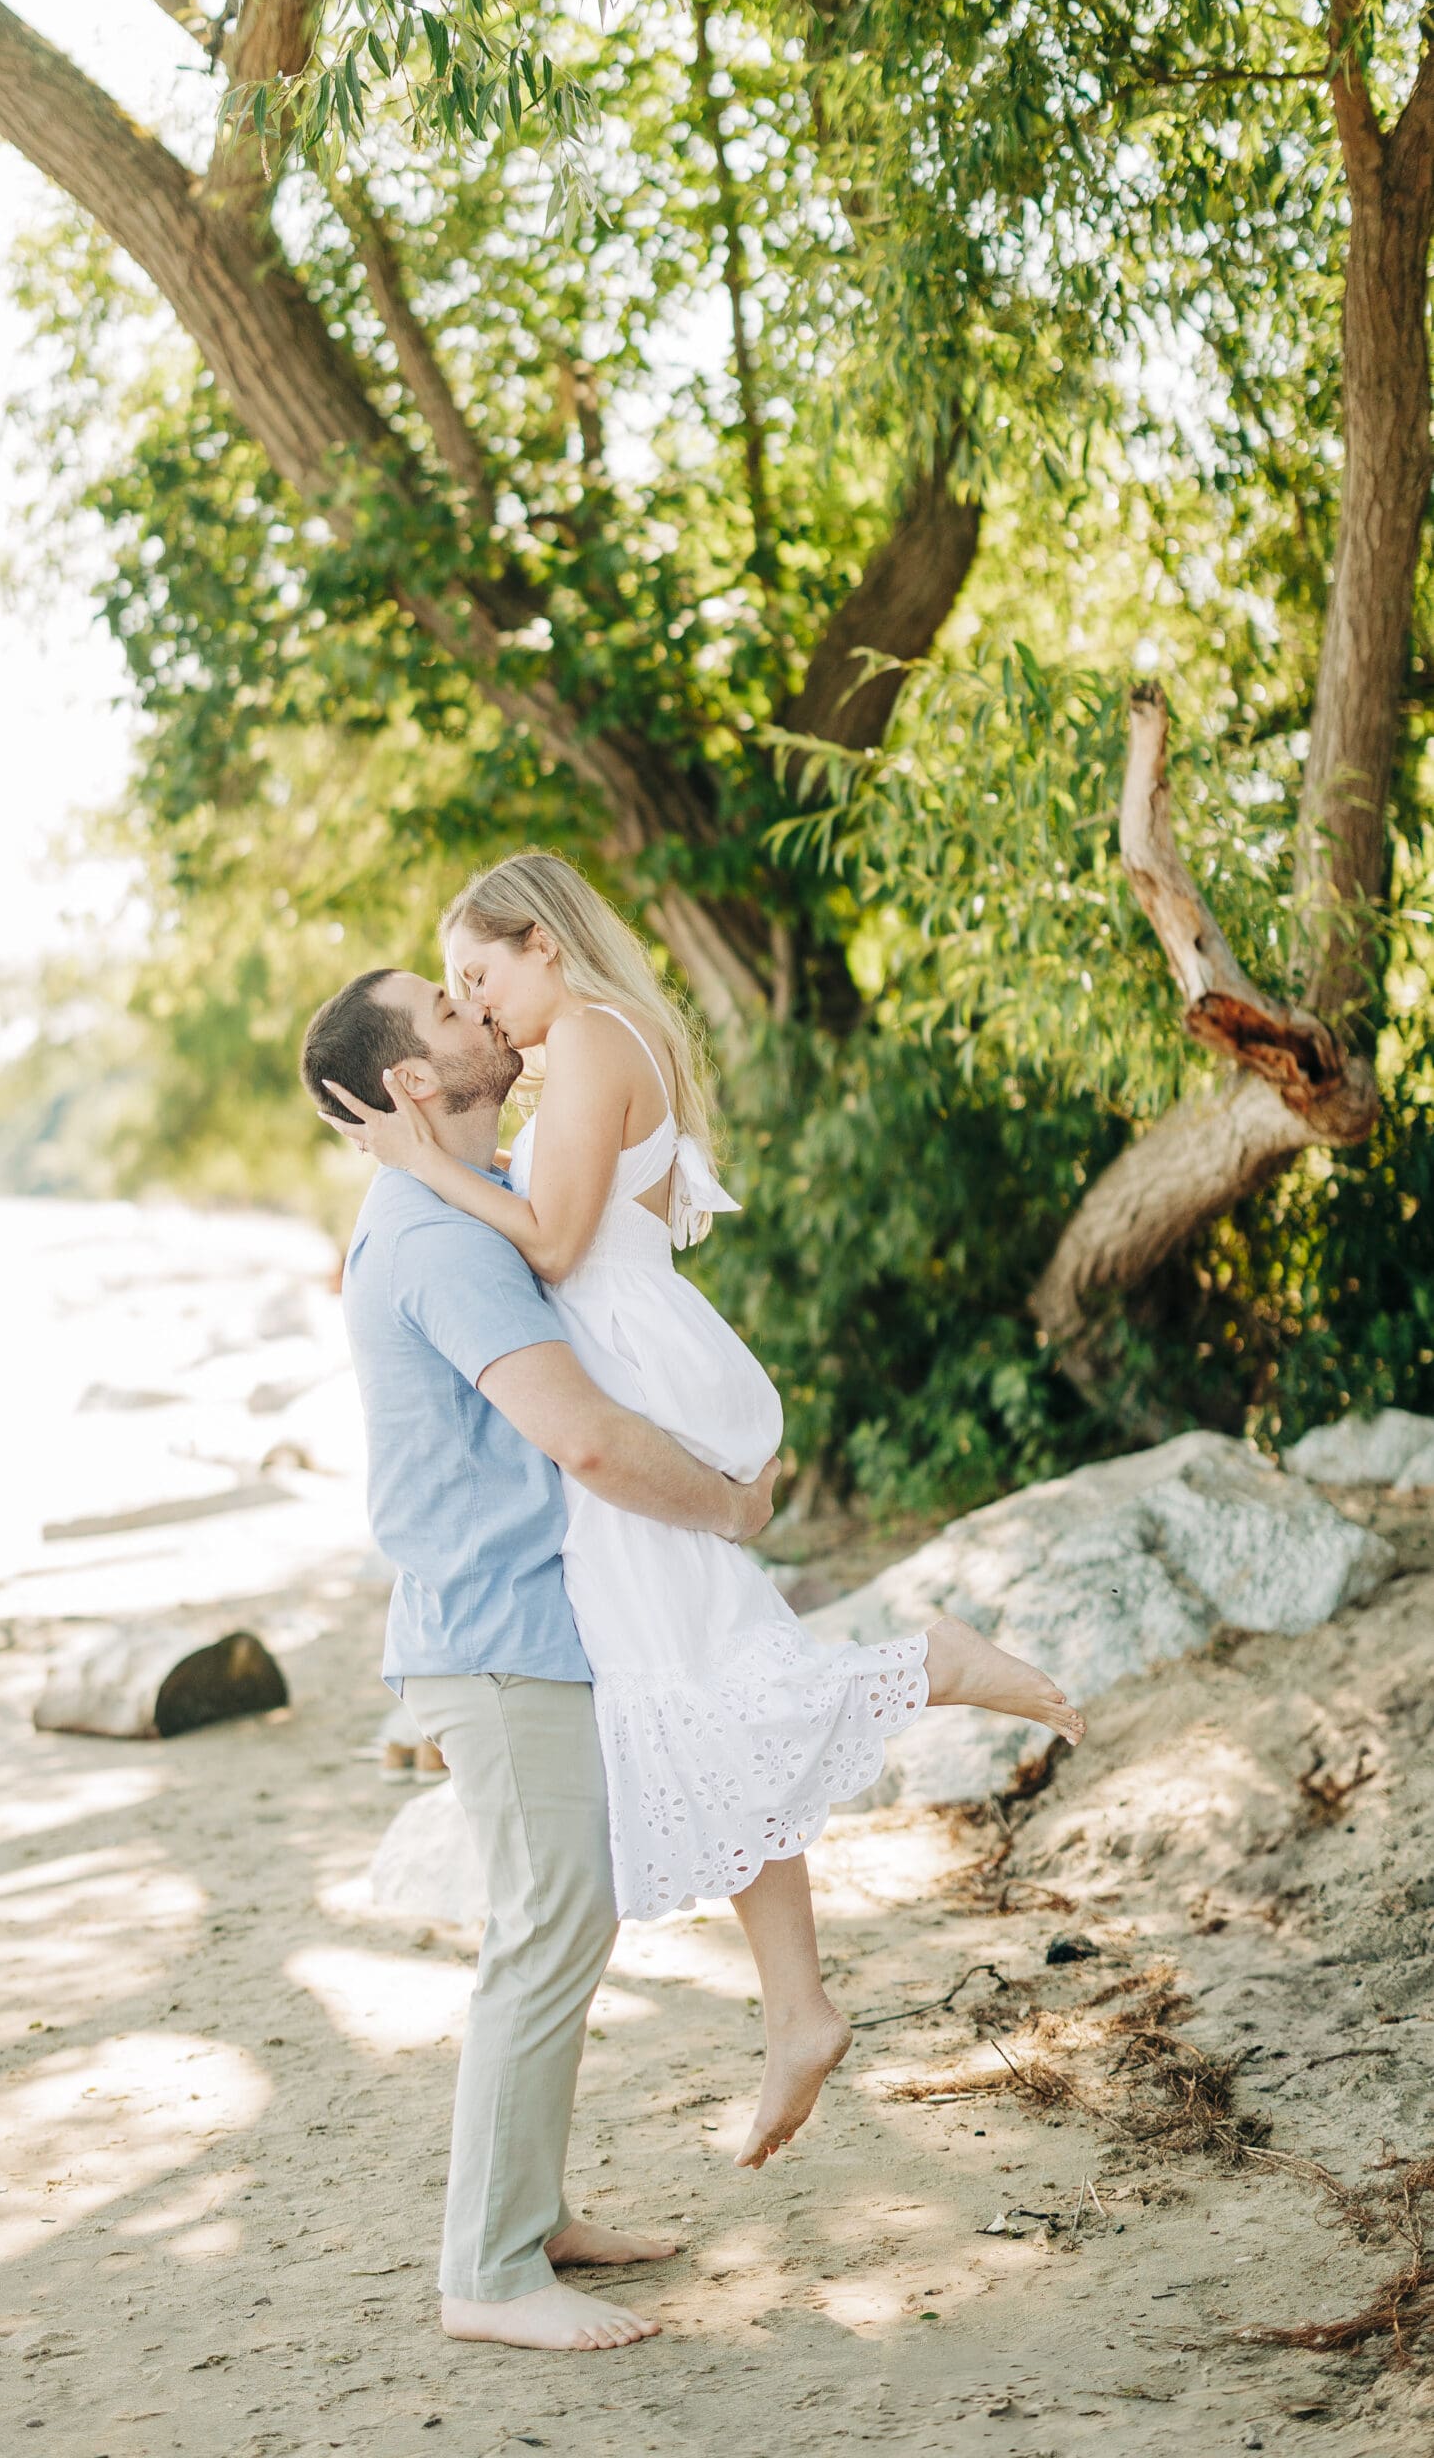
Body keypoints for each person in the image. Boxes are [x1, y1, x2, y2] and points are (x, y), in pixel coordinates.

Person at [320, 852, 1086, 2176]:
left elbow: (554, 1249)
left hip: (621, 1380)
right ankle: (799, 2007)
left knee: (694, 1677)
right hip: (648, 1353)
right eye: (453, 994)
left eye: (478, 974)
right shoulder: (613, 1042)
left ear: (542, 947)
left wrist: (417, 1165)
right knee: (708, 1675)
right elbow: (661, 1212)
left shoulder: (588, 1046)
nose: (476, 1003)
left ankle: (927, 1668)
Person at [300, 966, 780, 2354]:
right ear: (408, 1083)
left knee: (567, 1917)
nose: (482, 1020)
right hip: (497, 1638)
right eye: (447, 1016)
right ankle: (492, 2272)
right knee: (549, 1926)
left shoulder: (462, 1196)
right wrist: (730, 1501)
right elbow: (578, 1434)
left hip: (522, 1627)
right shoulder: (438, 1242)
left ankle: (534, 2213)